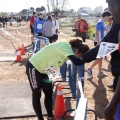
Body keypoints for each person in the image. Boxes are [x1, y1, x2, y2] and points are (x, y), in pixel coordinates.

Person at [26, 37, 90, 120]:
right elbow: (77, 62)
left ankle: (50, 116)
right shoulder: (65, 46)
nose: (80, 58)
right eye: (80, 56)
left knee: (49, 93)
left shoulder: (69, 52)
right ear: (77, 51)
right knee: (36, 94)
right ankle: (40, 118)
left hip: (46, 71)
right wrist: (91, 57)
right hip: (34, 67)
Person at [76, 0, 120, 119]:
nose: (110, 15)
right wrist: (83, 58)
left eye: (110, 10)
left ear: (116, 7)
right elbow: (104, 45)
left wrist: (113, 104)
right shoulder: (117, 25)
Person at [87, 11, 111, 78]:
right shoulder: (100, 22)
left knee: (100, 57)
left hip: (101, 42)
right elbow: (97, 33)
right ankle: (90, 69)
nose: (108, 19)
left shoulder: (102, 22)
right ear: (106, 16)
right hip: (99, 42)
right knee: (99, 58)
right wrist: (98, 43)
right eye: (108, 17)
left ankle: (100, 72)